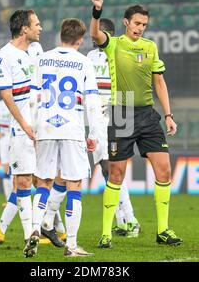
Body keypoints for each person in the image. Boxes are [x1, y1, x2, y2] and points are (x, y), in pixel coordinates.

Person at [90, 0, 183, 248]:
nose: (141, 28)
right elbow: (95, 33)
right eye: (137, 23)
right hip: (122, 111)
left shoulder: (150, 47)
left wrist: (168, 114)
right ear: (126, 22)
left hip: (147, 113)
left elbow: (160, 83)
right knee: (117, 174)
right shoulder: (114, 43)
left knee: (164, 170)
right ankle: (106, 232)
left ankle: (163, 230)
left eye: (144, 24)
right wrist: (97, 9)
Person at [26, 18, 101, 257]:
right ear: (80, 40)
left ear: (60, 36)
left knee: (44, 182)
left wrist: (34, 129)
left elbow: (32, 98)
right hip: (72, 130)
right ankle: (71, 245)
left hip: (45, 128)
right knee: (74, 185)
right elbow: (92, 102)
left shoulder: (42, 59)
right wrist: (95, 134)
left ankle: (35, 230)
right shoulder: (84, 62)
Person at [0, 10, 42, 256]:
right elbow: (6, 96)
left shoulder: (37, 51)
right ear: (24, 29)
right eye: (37, 24)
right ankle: (30, 236)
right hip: (22, 130)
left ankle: (49, 228)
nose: (41, 27)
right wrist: (25, 125)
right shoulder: (3, 56)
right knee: (24, 180)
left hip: (46, 127)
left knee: (50, 179)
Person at [86, 18, 141, 238]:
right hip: (121, 111)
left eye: (95, 34)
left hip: (105, 115)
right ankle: (123, 220)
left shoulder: (92, 57)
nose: (92, 38)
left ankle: (131, 220)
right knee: (113, 169)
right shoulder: (123, 52)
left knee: (109, 168)